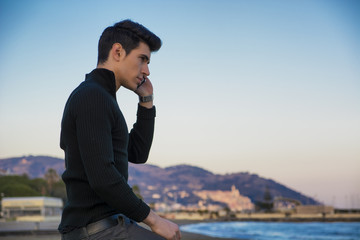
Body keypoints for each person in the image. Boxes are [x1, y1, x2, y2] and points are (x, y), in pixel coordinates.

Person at [58, 19, 181, 240]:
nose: (147, 70)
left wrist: (146, 101)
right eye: (142, 59)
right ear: (117, 51)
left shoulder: (103, 98)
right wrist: (155, 220)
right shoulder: (92, 97)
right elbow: (103, 178)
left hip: (112, 227)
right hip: (97, 230)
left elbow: (137, 153)